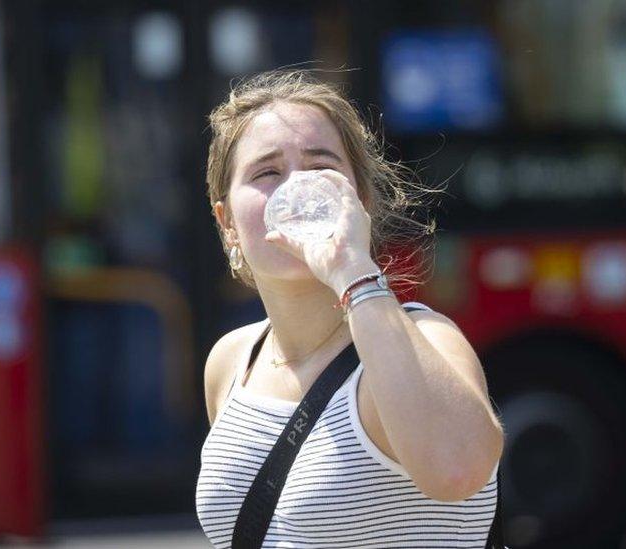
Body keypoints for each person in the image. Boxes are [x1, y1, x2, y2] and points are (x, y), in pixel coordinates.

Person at [196, 70, 504, 548]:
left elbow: (457, 470)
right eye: (267, 172)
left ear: (358, 201)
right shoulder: (232, 361)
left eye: (321, 167)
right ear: (228, 222)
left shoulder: (427, 339)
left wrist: (351, 270)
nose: (297, 189)